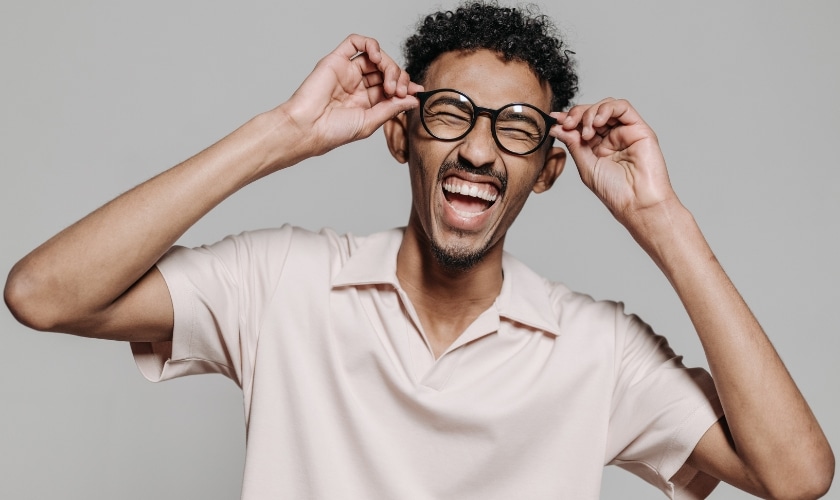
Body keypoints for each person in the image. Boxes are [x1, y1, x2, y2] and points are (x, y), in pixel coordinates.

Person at [3, 2, 833, 499]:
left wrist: (663, 221)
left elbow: (797, 476)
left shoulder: (597, 352)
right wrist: (281, 134)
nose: (478, 151)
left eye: (513, 129)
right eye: (451, 115)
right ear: (400, 135)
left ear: (546, 174)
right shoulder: (282, 282)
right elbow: (44, 294)